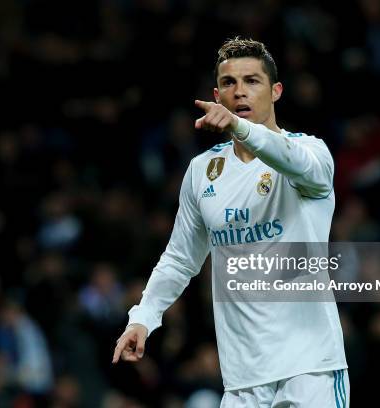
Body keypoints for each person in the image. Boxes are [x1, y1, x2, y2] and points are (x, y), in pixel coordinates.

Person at [112, 37, 349, 407]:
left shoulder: (310, 153)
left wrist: (242, 130)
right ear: (216, 95)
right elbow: (180, 258)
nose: (240, 92)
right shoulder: (202, 172)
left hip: (311, 369)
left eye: (252, 81)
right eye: (229, 83)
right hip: (243, 380)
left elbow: (292, 161)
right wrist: (143, 316)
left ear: (276, 91)